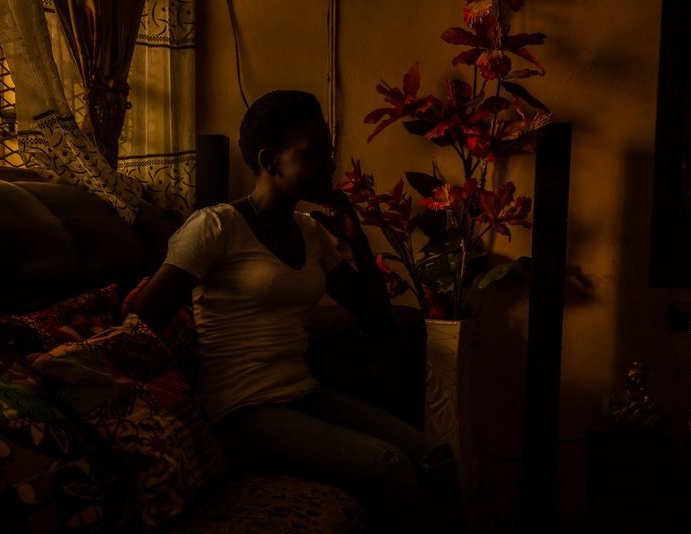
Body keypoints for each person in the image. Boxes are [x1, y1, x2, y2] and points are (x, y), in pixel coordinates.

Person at [129, 89, 465, 532]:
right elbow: (140, 321)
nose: (330, 165)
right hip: (242, 412)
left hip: (303, 395)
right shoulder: (216, 226)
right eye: (315, 153)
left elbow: (379, 323)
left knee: (436, 458)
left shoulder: (310, 232)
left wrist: (358, 241)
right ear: (270, 161)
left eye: (330, 152)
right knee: (389, 467)